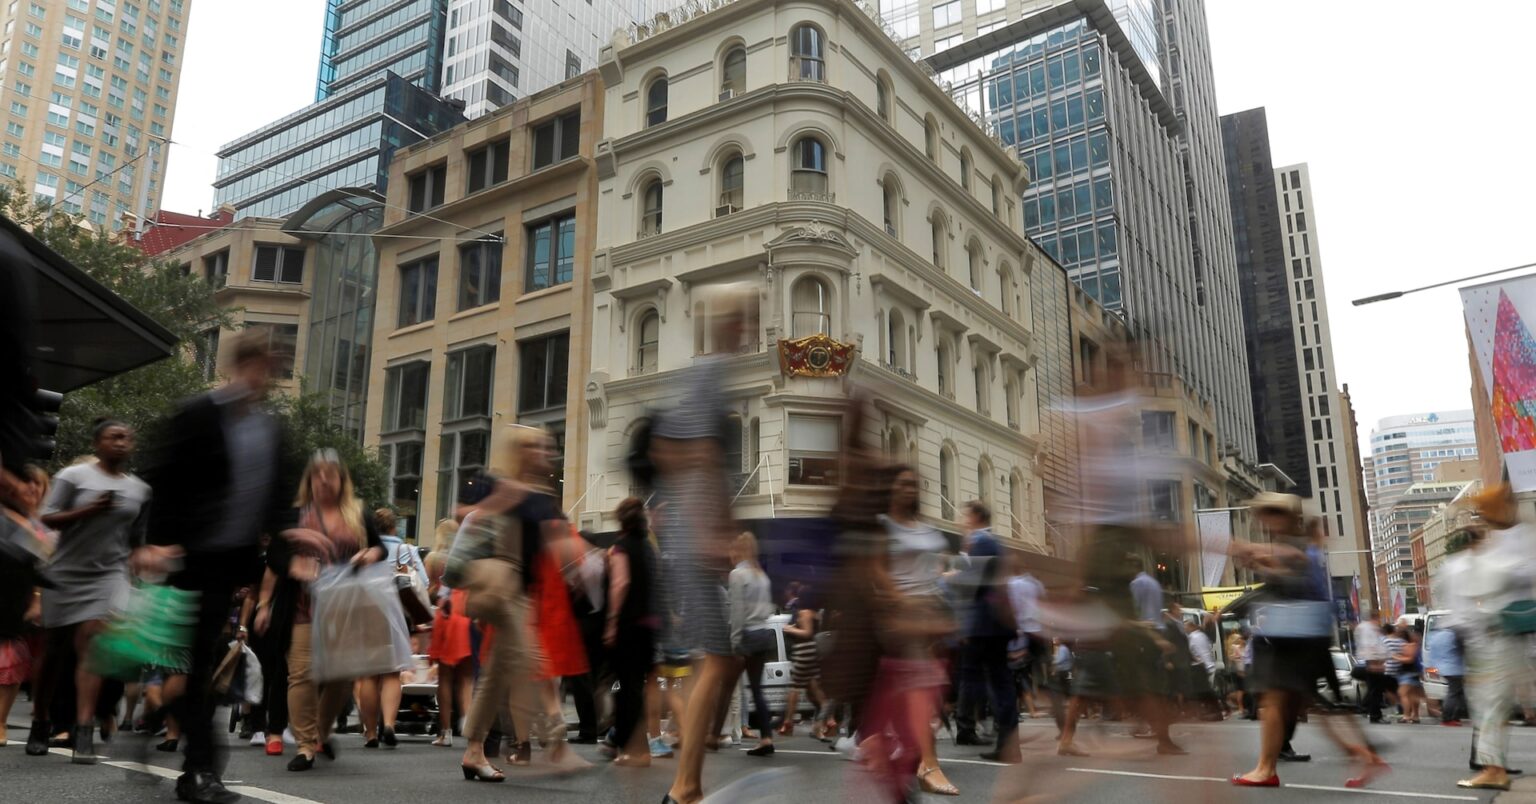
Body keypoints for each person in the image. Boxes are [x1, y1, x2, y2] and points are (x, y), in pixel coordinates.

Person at [137, 331, 297, 804]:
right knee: (195, 660)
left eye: (271, 371)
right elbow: (163, 477)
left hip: (232, 563)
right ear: (240, 366)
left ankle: (189, 750)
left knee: (203, 662)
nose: (265, 379)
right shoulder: (199, 412)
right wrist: (157, 543)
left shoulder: (272, 429)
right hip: (188, 558)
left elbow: (277, 498)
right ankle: (201, 767)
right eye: (260, 368)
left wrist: (293, 534)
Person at [658, 288, 756, 804]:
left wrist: (724, 525)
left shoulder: (711, 377)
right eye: (744, 318)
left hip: (692, 540)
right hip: (692, 543)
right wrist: (708, 531)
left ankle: (687, 782)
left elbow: (701, 459)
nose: (751, 327)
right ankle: (684, 785)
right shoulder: (708, 376)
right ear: (726, 323)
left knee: (711, 662)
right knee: (715, 660)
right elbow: (683, 452)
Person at [447, 425, 588, 782]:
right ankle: (554, 744)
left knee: (496, 677)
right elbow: (462, 514)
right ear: (522, 452)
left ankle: (474, 751)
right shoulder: (508, 489)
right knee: (532, 661)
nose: (547, 454)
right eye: (539, 447)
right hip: (505, 592)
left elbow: (562, 548)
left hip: (515, 595)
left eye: (547, 447)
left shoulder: (539, 498)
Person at [1229, 494, 1385, 789]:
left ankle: (1266, 768)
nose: (1266, 521)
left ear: (1286, 516)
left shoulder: (1296, 545)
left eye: (1271, 514)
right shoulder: (1295, 544)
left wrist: (1259, 558)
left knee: (1276, 701)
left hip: (1294, 637)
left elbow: (1292, 570)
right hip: (1301, 636)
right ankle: (1364, 755)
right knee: (1315, 704)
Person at [25, 419, 149, 764]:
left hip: (109, 574)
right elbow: (43, 520)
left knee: (92, 643)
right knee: (52, 653)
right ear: (98, 443)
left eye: (127, 437)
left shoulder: (140, 489)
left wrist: (142, 560)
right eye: (114, 437)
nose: (122, 442)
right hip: (64, 572)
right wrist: (88, 510)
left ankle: (84, 732)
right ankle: (40, 721)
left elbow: (137, 538)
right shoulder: (73, 477)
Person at [255, 450, 385, 772]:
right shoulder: (297, 514)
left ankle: (320, 733)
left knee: (341, 677)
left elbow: (379, 546)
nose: (324, 480)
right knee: (300, 675)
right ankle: (305, 745)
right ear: (309, 480)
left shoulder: (357, 512)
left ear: (342, 480)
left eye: (331, 474)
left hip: (344, 607)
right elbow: (275, 558)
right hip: (302, 607)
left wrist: (370, 553)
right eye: (317, 474)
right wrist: (291, 569)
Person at [1442, 485, 1536, 791]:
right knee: (1489, 704)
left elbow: (1512, 577)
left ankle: (1494, 768)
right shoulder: (1512, 538)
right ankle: (1493, 766)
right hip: (1496, 634)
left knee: (1490, 704)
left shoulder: (1515, 541)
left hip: (1498, 634)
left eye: (1484, 510)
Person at [952, 501, 1019, 763]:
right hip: (994, 623)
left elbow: (971, 583)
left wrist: (951, 576)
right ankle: (1005, 741)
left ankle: (976, 730)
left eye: (965, 515)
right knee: (997, 681)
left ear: (976, 517)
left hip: (984, 624)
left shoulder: (982, 542)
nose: (962, 520)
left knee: (982, 679)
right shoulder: (993, 542)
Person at [605, 497, 660, 766]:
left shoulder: (621, 547)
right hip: (650, 626)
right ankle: (642, 748)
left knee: (626, 689)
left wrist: (612, 622)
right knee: (638, 688)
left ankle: (631, 749)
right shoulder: (648, 547)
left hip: (629, 624)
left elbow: (620, 583)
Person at [1, 462, 50, 745]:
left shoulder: (43, 525)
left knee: (10, 662)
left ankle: (1, 722)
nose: (30, 488)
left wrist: (36, 599)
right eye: (24, 482)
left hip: (19, 601)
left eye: (37, 484)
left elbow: (42, 567)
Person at [723, 531, 777, 757]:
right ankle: (766, 737)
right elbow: (768, 609)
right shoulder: (762, 576)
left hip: (746, 636)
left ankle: (715, 735)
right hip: (763, 634)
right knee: (756, 689)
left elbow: (736, 613)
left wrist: (734, 641)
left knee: (725, 687)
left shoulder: (737, 575)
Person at [426, 518, 474, 748]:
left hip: (444, 613)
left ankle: (445, 732)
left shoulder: (434, 560)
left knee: (444, 678)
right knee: (466, 677)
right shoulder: (468, 559)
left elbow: (430, 592)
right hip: (465, 610)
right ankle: (467, 722)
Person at [780, 584, 829, 739]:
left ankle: (788, 722)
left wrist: (790, 630)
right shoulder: (816, 614)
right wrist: (794, 626)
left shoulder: (804, 612)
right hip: (813, 650)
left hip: (803, 651)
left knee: (794, 686)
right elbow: (812, 630)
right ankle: (827, 718)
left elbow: (806, 632)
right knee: (815, 686)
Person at [1355, 613, 1389, 723]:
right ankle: (1375, 716)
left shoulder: (1367, 628)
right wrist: (1375, 664)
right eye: (1378, 619)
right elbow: (1370, 647)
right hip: (1374, 666)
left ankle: (1373, 713)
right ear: (1374, 618)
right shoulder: (1368, 629)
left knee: (1375, 691)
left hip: (1375, 664)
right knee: (1376, 692)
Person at [1396, 627, 1425, 724]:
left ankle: (1406, 716)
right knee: (1413, 695)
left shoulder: (1410, 645)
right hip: (1414, 672)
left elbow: (1409, 659)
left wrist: (1397, 657)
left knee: (1403, 694)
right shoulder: (1417, 646)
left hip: (1408, 673)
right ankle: (1415, 716)